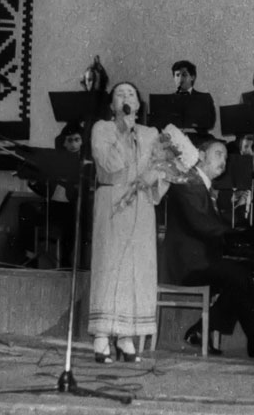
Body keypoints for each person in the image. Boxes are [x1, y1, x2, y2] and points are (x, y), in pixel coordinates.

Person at [159, 139, 254, 357]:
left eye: (226, 157)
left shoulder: (204, 186)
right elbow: (201, 224)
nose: (224, 161)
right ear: (201, 155)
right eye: (218, 154)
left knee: (238, 277)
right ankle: (253, 338)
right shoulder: (187, 182)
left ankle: (209, 331)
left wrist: (240, 223)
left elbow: (212, 224)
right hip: (186, 265)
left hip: (202, 261)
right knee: (237, 275)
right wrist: (237, 233)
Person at [88, 82, 168, 363]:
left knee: (136, 268)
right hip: (113, 200)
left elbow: (163, 166)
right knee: (110, 265)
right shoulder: (102, 129)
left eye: (131, 93)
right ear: (112, 105)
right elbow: (109, 164)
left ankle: (126, 336)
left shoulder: (150, 133)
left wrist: (153, 176)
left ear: (139, 103)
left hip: (141, 203)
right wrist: (122, 130)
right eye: (119, 94)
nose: (126, 97)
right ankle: (101, 335)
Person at [16, 121, 83, 268]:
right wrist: (34, 181)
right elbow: (45, 191)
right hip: (52, 208)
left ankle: (66, 262)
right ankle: (29, 256)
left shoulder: (85, 164)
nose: (72, 144)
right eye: (69, 140)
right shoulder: (54, 162)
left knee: (72, 219)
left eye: (76, 140)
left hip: (73, 209)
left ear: (82, 142)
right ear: (64, 143)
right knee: (25, 209)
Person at [168, 60, 216, 145]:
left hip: (197, 139)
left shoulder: (204, 98)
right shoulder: (168, 100)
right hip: (174, 139)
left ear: (192, 77)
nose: (180, 79)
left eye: (184, 75)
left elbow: (210, 123)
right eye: (177, 75)